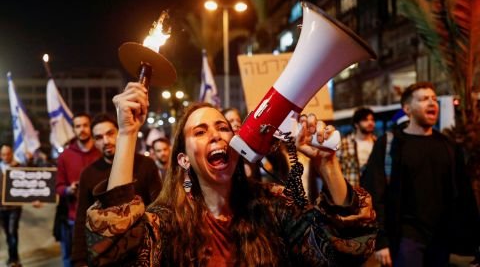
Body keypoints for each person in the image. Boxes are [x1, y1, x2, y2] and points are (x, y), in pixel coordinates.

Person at [85, 82, 377, 266]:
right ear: (184, 159)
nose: (216, 135)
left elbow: (346, 254)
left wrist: (328, 166)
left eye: (223, 127)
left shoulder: (273, 205)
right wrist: (127, 133)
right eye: (200, 131)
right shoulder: (165, 223)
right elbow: (110, 253)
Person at [362, 82, 480, 267]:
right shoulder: (390, 144)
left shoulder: (448, 146)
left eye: (434, 99)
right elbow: (376, 195)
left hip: (441, 239)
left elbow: (463, 196)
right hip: (406, 239)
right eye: (424, 99)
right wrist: (381, 241)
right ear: (407, 108)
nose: (432, 103)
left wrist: (471, 243)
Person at [71, 113, 162, 267]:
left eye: (110, 133)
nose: (106, 141)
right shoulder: (88, 174)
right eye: (99, 137)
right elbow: (81, 218)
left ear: (120, 132)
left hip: (143, 251)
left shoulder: (145, 165)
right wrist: (79, 260)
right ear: (93, 141)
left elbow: (159, 207)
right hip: (105, 254)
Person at [54, 113, 101, 267]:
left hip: (100, 218)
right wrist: (69, 190)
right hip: (72, 218)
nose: (82, 129)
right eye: (78, 126)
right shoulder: (65, 156)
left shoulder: (101, 151)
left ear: (91, 127)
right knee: (71, 260)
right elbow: (58, 186)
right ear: (73, 129)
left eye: (85, 125)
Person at [336, 107, 376, 188]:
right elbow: (336, 168)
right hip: (351, 191)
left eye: (372, 120)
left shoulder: (377, 143)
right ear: (356, 124)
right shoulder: (344, 143)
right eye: (365, 120)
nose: (370, 123)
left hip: (372, 191)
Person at [0, 145, 22, 267]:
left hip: (14, 207)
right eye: (3, 154)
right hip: (1, 208)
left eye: (8, 154)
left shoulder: (18, 167)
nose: (6, 156)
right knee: (8, 234)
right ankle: (13, 257)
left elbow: (30, 183)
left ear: (12, 154)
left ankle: (14, 260)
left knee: (12, 231)